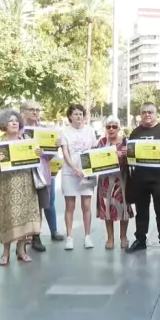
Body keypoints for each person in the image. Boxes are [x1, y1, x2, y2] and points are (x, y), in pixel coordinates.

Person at [0, 109, 43, 265]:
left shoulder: (26, 139)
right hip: (7, 186)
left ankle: (21, 251)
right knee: (8, 218)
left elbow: (36, 160)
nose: (14, 123)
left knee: (25, 217)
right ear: (3, 125)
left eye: (15, 120)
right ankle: (5, 253)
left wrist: (38, 153)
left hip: (26, 184)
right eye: (10, 121)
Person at [126, 102, 160, 255]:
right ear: (140, 115)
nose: (147, 115)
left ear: (156, 114)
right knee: (141, 211)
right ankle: (140, 240)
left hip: (158, 178)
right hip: (139, 178)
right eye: (144, 112)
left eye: (150, 112)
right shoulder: (135, 132)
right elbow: (130, 151)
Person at [20, 100, 64, 252]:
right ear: (23, 111)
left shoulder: (46, 132)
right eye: (31, 109)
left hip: (42, 172)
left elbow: (50, 156)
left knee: (42, 204)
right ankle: (24, 236)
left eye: (38, 110)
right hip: (23, 174)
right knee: (25, 206)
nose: (35, 112)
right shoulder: (17, 131)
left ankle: (36, 237)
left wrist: (53, 147)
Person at [60, 104, 97, 250]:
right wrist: (73, 167)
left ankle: (87, 236)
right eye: (75, 114)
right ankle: (69, 237)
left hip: (87, 172)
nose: (79, 116)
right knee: (70, 205)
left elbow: (94, 149)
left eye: (81, 114)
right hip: (70, 173)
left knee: (86, 205)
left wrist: (89, 168)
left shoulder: (90, 131)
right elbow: (65, 152)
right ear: (70, 116)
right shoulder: (64, 132)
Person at [96, 116, 131, 250]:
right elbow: (94, 159)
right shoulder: (102, 141)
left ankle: (123, 237)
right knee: (106, 208)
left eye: (114, 126)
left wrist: (126, 156)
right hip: (105, 180)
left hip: (122, 179)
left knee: (123, 209)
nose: (111, 129)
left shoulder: (125, 142)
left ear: (119, 128)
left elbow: (132, 161)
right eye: (108, 126)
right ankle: (110, 238)